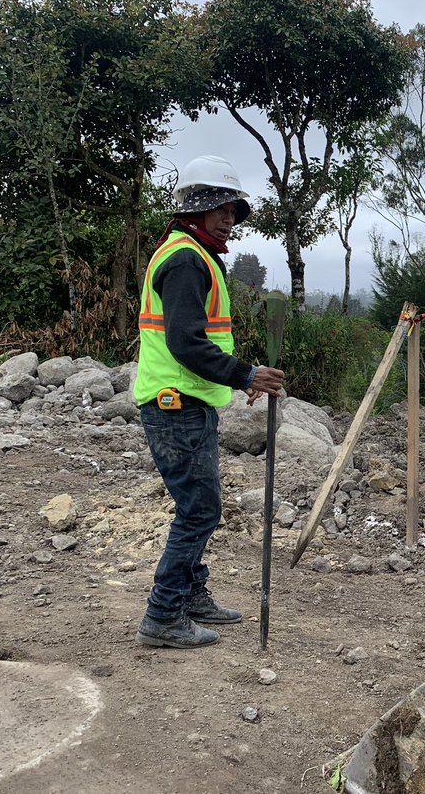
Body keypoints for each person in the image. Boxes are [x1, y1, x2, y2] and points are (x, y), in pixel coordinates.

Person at [133, 155, 285, 649]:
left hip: (185, 401)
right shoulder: (185, 260)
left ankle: (191, 596)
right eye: (219, 206)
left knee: (195, 504)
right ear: (195, 208)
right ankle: (163, 615)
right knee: (200, 509)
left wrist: (230, 382)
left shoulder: (190, 253)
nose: (228, 217)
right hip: (174, 403)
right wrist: (243, 374)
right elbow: (185, 341)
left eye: (233, 208)